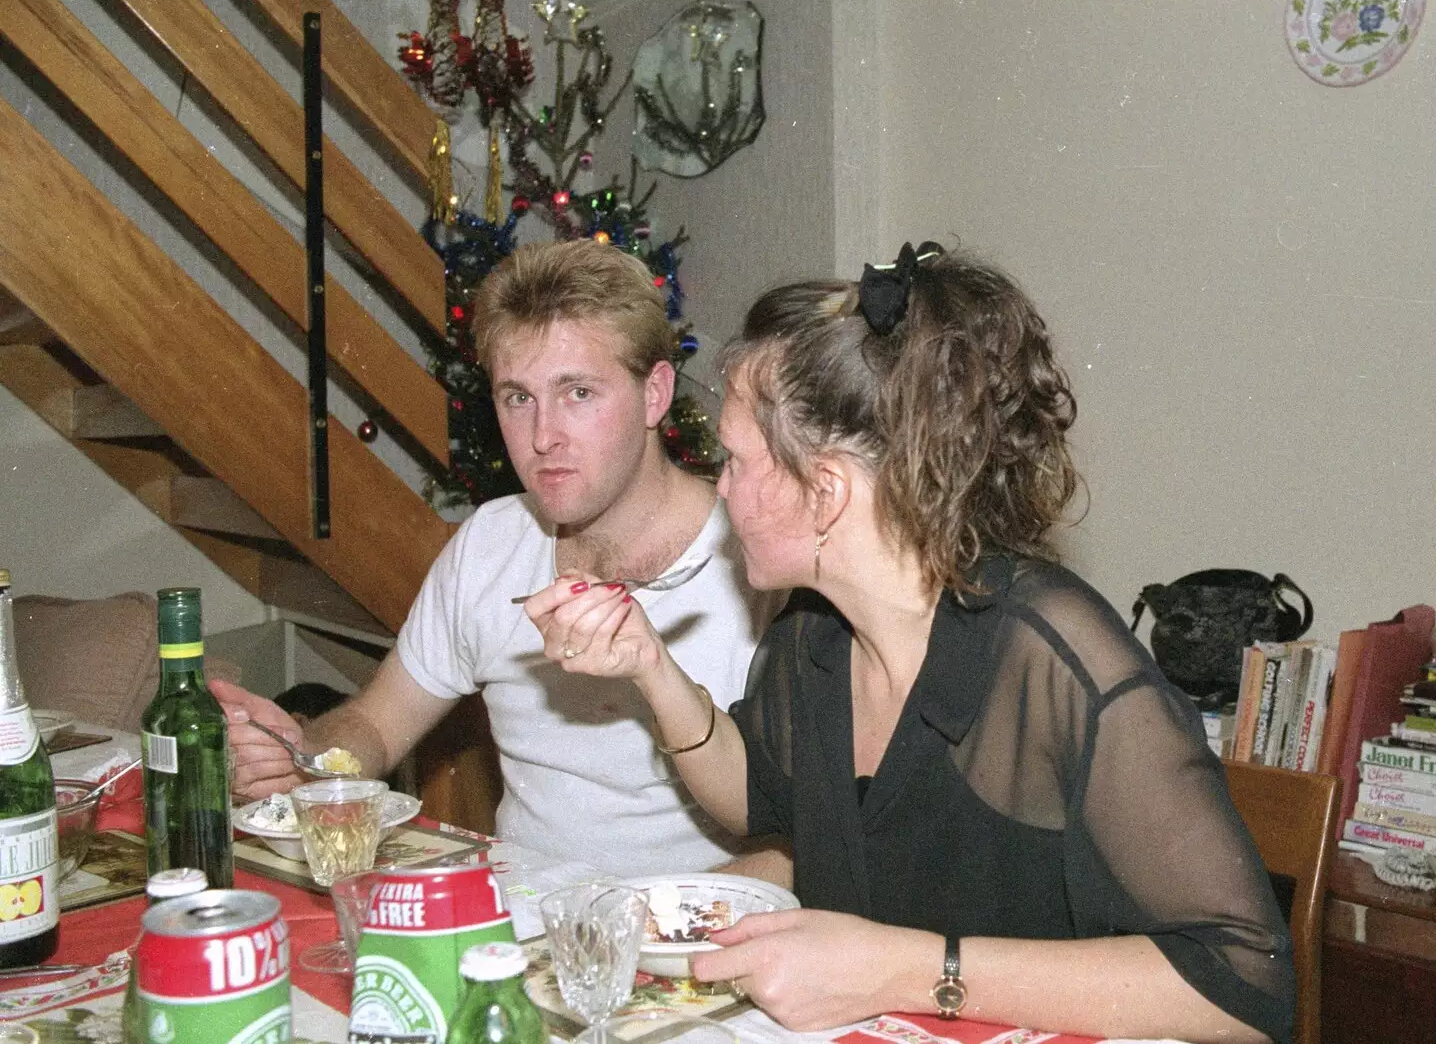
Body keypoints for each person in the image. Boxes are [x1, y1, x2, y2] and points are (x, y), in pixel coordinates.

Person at [522, 243, 1294, 1042]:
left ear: (824, 492)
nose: (720, 486)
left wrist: (903, 966)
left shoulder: (1052, 653)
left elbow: (1246, 988)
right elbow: (753, 793)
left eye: (738, 460)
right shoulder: (815, 632)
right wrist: (651, 666)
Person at [215, 239, 781, 877]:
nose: (543, 437)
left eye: (579, 394)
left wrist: (650, 935)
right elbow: (376, 724)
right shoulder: (489, 543)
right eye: (518, 399)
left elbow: (795, 840)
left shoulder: (758, 566)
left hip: (685, 939)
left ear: (655, 394)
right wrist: (307, 753)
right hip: (516, 928)